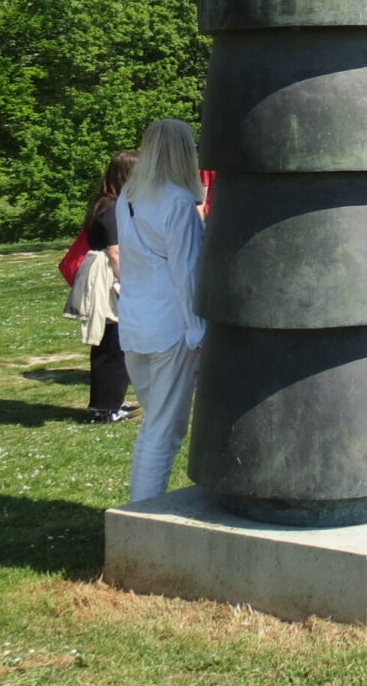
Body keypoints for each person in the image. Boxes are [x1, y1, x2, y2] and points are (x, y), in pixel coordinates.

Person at [114, 119, 208, 501]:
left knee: (155, 425)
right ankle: (143, 514)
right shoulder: (178, 201)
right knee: (164, 430)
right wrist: (199, 331)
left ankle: (140, 508)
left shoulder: (129, 196)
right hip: (170, 326)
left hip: (135, 322)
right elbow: (187, 272)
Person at [70, 151, 137, 423]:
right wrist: (129, 283)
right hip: (107, 276)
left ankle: (112, 401)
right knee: (112, 341)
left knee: (117, 340)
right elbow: (115, 252)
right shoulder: (111, 207)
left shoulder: (109, 203)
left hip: (107, 273)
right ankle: (106, 409)